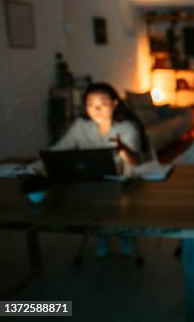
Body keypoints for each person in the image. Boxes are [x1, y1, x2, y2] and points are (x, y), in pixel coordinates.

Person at [52, 82, 150, 256]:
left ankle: (122, 233)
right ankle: (100, 233)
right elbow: (62, 147)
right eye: (90, 104)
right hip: (90, 180)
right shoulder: (81, 125)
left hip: (122, 182)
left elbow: (135, 162)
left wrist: (122, 149)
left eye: (103, 104)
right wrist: (40, 162)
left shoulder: (126, 127)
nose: (96, 109)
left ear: (114, 103)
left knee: (115, 199)